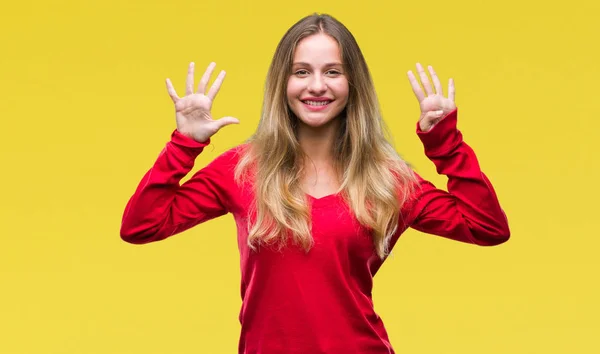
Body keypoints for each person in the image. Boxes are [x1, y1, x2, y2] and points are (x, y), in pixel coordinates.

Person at [120, 13, 510, 354]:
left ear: (352, 84)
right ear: (283, 83)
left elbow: (487, 227)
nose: (317, 86)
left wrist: (444, 142)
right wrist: (184, 144)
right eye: (302, 71)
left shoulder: (386, 180)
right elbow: (141, 226)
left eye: (333, 72)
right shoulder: (242, 170)